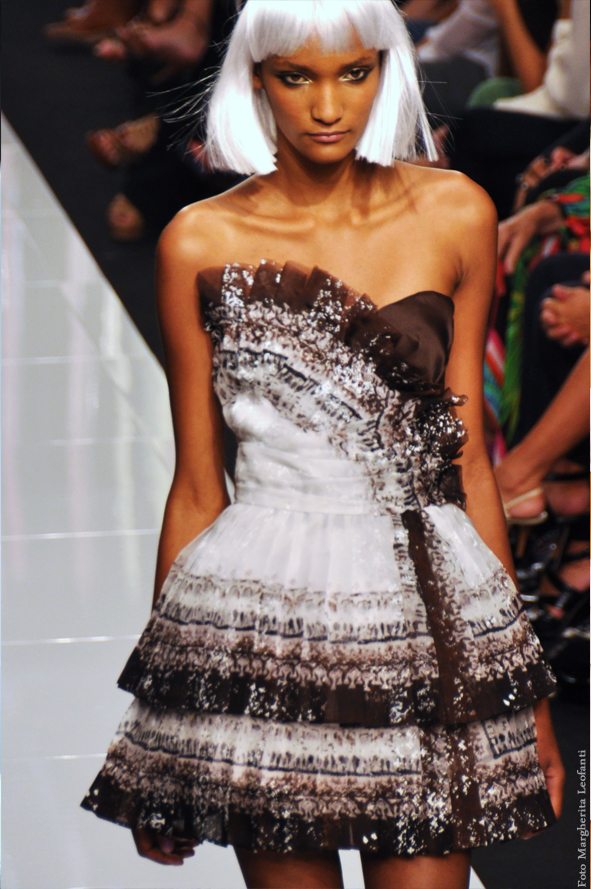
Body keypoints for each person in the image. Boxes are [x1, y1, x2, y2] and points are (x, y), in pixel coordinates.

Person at [80, 2, 564, 888]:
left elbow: (466, 462)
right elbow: (198, 485)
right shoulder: (200, 239)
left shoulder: (455, 211)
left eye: (353, 73)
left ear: (386, 71)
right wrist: (167, 735)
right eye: (296, 77)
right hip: (264, 617)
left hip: (425, 610)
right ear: (255, 79)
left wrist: (524, 694)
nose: (328, 106)